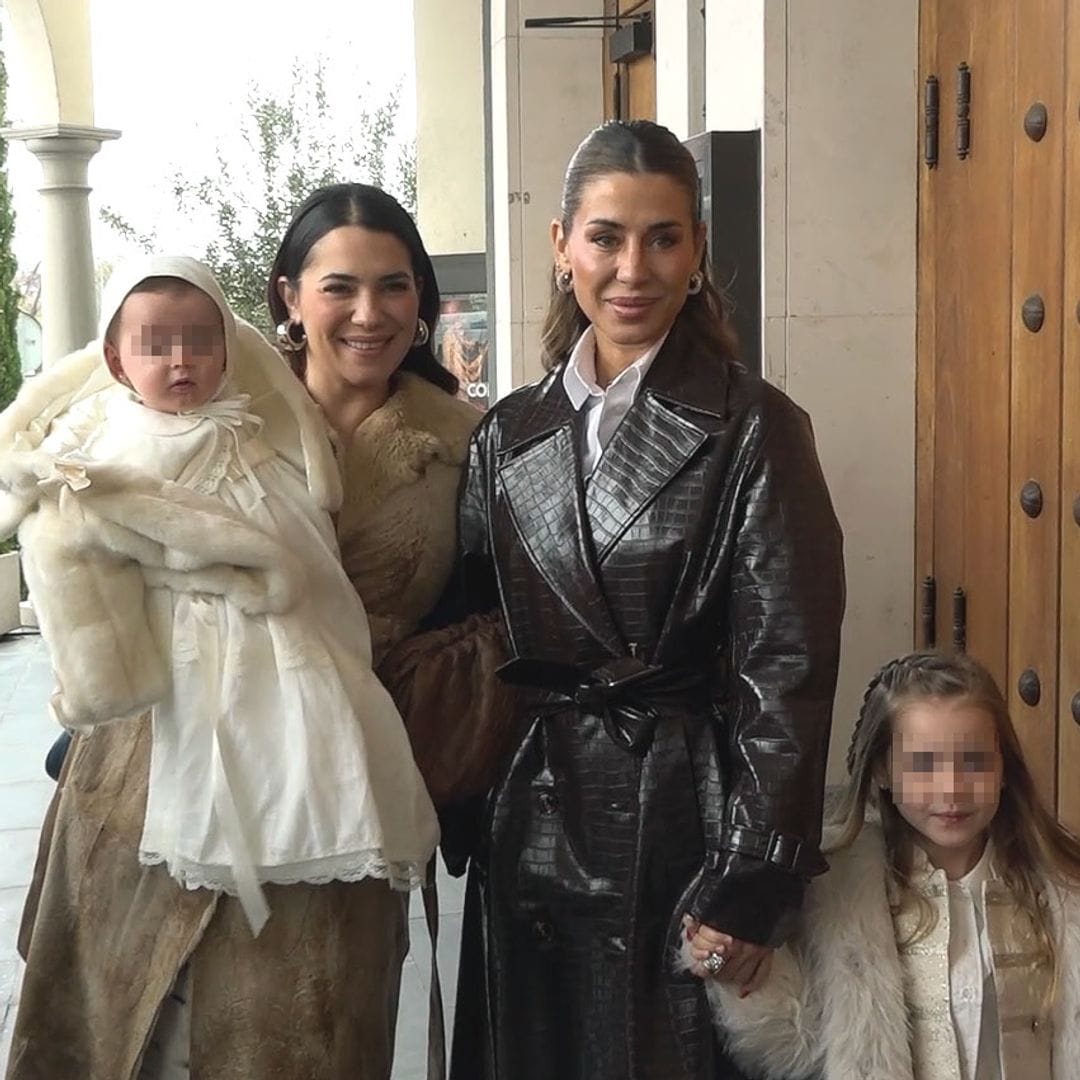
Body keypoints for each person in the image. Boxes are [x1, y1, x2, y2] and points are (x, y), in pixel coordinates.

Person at [447, 119, 846, 1079]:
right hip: (530, 813)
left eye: (664, 237)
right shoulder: (509, 432)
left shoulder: (754, 425)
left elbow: (787, 668)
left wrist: (753, 880)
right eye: (607, 237)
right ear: (561, 247)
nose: (634, 268)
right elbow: (467, 628)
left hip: (684, 821)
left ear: (699, 249)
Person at [2, 254, 439, 1078]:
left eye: (392, 284)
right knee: (131, 1027)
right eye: (338, 286)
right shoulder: (116, 435)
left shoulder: (431, 437)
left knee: (293, 1034)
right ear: (290, 300)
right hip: (146, 763)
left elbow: (321, 577)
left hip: (320, 747)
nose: (366, 312)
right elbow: (74, 564)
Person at [694, 651, 1080, 1080]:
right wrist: (735, 967)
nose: (951, 789)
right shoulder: (838, 895)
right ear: (882, 770)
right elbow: (795, 1046)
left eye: (973, 761)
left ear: (1004, 767)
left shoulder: (1058, 890)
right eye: (923, 764)